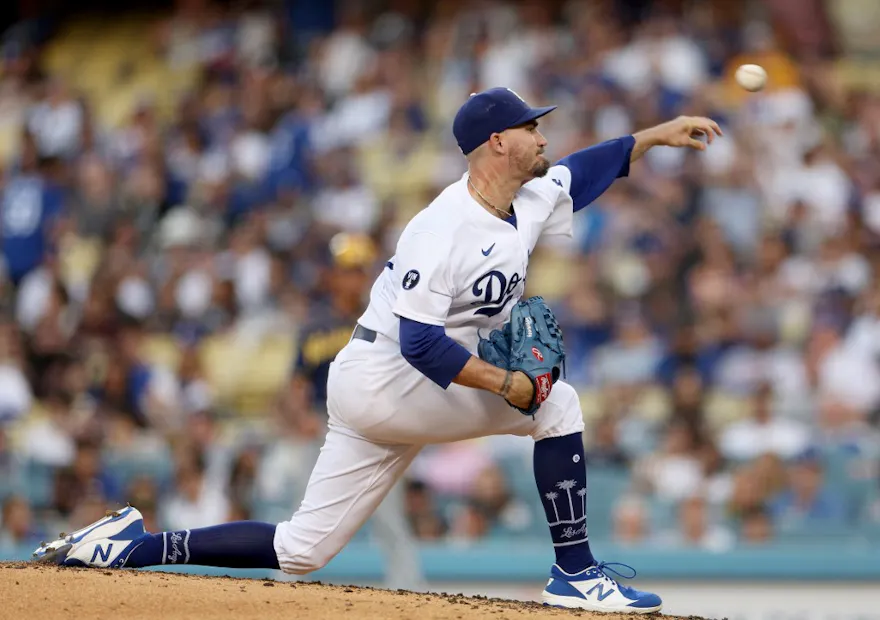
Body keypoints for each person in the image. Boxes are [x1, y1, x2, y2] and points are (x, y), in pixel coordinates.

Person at [33, 87, 721, 613]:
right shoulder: (441, 227)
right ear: (496, 143)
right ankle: (575, 573)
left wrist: (655, 137)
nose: (543, 135)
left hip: (398, 387)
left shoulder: (531, 197)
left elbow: (585, 171)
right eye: (530, 127)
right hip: (387, 376)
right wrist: (503, 385)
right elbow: (421, 342)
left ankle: (126, 546)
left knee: (303, 550)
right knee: (556, 402)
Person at [286, 232, 425, 590]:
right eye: (346, 270)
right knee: (305, 509)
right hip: (321, 424)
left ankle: (408, 588)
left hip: (374, 426)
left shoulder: (383, 316)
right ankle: (283, 585)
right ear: (332, 275)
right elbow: (298, 382)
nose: (352, 277)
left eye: (358, 270)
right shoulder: (315, 325)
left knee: (389, 515)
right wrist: (299, 417)